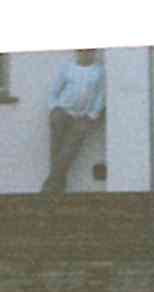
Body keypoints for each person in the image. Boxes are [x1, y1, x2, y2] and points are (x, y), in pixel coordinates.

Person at [42, 49, 105, 195]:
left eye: (89, 51)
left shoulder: (99, 71)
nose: (85, 54)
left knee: (68, 150)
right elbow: (54, 91)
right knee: (56, 149)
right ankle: (57, 187)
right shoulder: (68, 68)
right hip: (62, 112)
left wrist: (92, 115)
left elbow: (101, 96)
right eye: (82, 51)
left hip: (82, 117)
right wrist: (54, 108)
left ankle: (50, 186)